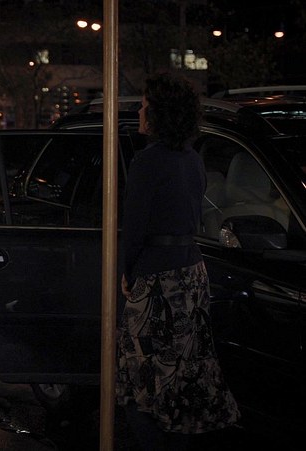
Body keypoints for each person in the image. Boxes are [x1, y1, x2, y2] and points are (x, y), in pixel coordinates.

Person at [117, 72, 240, 451]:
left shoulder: (147, 162)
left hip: (158, 277)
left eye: (144, 106)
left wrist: (127, 271)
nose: (139, 112)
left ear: (159, 113)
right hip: (190, 272)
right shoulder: (192, 159)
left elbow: (134, 227)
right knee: (184, 373)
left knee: (145, 373)